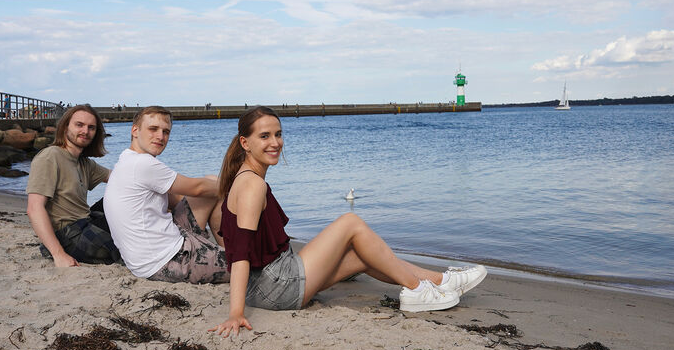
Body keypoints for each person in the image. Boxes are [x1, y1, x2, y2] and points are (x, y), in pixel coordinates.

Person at [210, 106, 486, 337]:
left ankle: (441, 281)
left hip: (269, 283)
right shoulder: (251, 185)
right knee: (350, 222)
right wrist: (236, 313)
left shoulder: (248, 178)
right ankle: (416, 291)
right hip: (275, 286)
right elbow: (242, 254)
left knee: (363, 255)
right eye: (265, 136)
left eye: (279, 134)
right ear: (245, 143)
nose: (275, 143)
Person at [104, 106, 229, 286]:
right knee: (246, 262)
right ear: (135, 131)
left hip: (149, 256)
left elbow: (178, 198)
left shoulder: (127, 160)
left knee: (212, 183)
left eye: (166, 132)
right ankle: (230, 255)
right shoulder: (142, 163)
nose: (160, 137)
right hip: (167, 261)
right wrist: (243, 188)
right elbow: (197, 189)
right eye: (153, 129)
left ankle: (224, 249)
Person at [26, 104, 121, 267]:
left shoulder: (84, 163)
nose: (85, 131)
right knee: (126, 245)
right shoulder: (50, 157)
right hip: (68, 236)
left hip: (86, 221)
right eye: (79, 125)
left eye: (91, 127)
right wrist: (58, 254)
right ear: (65, 127)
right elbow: (34, 209)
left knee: (122, 196)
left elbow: (122, 180)